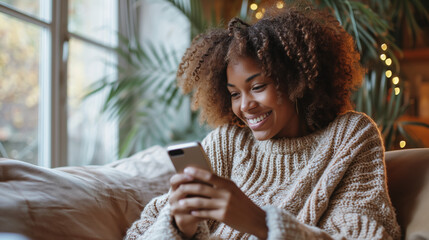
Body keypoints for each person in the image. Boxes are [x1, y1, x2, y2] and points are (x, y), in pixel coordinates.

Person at [125, 4, 400, 240]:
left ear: (297, 80)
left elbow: (368, 234)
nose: (244, 106)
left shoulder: (349, 136)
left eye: (257, 87)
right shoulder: (227, 142)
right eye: (234, 94)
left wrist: (260, 223)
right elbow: (140, 231)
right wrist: (178, 226)